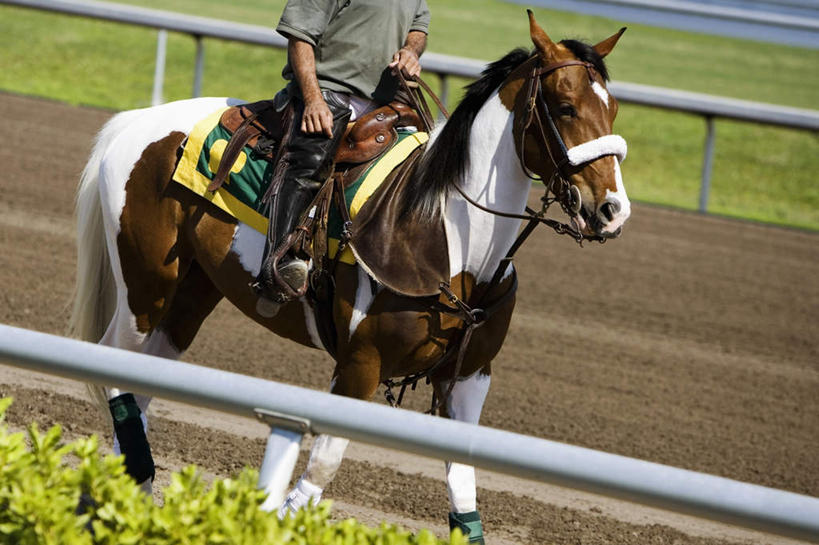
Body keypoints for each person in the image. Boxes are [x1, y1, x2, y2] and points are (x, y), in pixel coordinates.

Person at [253, 0, 430, 304]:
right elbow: (300, 37)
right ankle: (277, 266)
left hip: (388, 100)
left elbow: (418, 26)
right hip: (328, 92)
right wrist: (313, 100)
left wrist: (411, 51)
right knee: (310, 163)